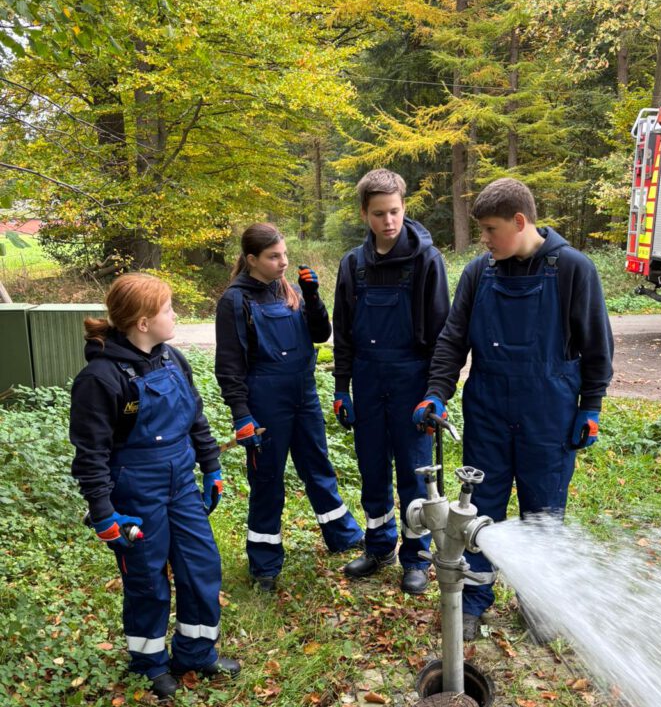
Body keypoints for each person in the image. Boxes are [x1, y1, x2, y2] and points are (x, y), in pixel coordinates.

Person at [413, 177, 614, 639]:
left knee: (543, 512)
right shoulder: (479, 273)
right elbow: (451, 342)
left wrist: (592, 406)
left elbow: (597, 347)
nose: (484, 239)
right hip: (488, 412)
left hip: (550, 413)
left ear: (520, 222)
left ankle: (538, 601)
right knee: (477, 509)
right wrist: (436, 392)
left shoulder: (572, 270)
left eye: (490, 229)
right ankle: (476, 598)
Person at [70, 273, 240, 700]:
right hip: (136, 488)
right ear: (143, 322)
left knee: (201, 565)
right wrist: (104, 513)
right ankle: (149, 663)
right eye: (167, 309)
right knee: (147, 579)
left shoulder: (172, 359)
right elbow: (90, 456)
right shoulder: (100, 379)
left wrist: (211, 467)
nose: (175, 314)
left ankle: (196, 652)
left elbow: (196, 418)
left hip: (181, 481)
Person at [215, 223, 362, 591]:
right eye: (273, 256)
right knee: (266, 480)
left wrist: (312, 296)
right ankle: (264, 564)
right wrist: (241, 414)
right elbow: (229, 365)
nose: (283, 262)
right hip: (264, 399)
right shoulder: (235, 301)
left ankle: (342, 534)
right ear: (251, 259)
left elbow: (320, 334)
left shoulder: (291, 290)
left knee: (318, 465)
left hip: (304, 393)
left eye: (284, 254)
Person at [333, 168, 450, 594]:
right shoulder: (353, 264)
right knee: (371, 468)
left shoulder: (426, 261)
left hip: (411, 378)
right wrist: (341, 388)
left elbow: (444, 336)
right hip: (366, 377)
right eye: (379, 213)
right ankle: (379, 544)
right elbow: (342, 332)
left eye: (395, 212)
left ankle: (415, 555)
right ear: (365, 214)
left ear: (404, 208)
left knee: (415, 472)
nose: (389, 221)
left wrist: (435, 393)